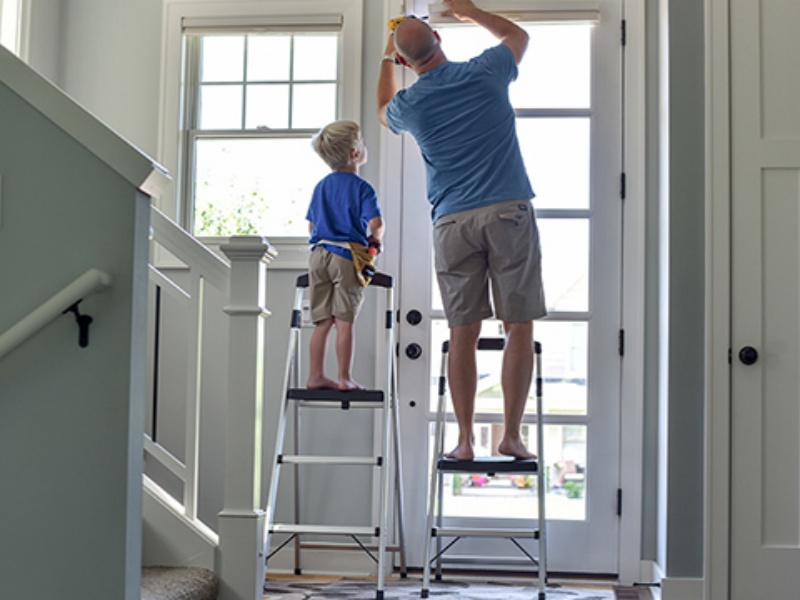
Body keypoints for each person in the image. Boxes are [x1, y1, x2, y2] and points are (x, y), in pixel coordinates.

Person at [377, 0, 546, 460]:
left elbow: (382, 109)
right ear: (440, 41)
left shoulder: (410, 104)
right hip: (507, 210)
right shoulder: (485, 71)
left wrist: (385, 59)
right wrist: (468, 9)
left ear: (406, 63)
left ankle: (466, 441)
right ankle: (511, 435)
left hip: (452, 221)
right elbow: (518, 36)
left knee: (463, 332)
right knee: (518, 327)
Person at [305, 120, 385, 391]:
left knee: (322, 321)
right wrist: (374, 242)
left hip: (318, 255)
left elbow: (312, 226)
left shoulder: (321, 186)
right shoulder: (362, 188)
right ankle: (344, 378)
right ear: (355, 153)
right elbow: (376, 225)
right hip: (346, 255)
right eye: (361, 142)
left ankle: (315, 375)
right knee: (344, 320)